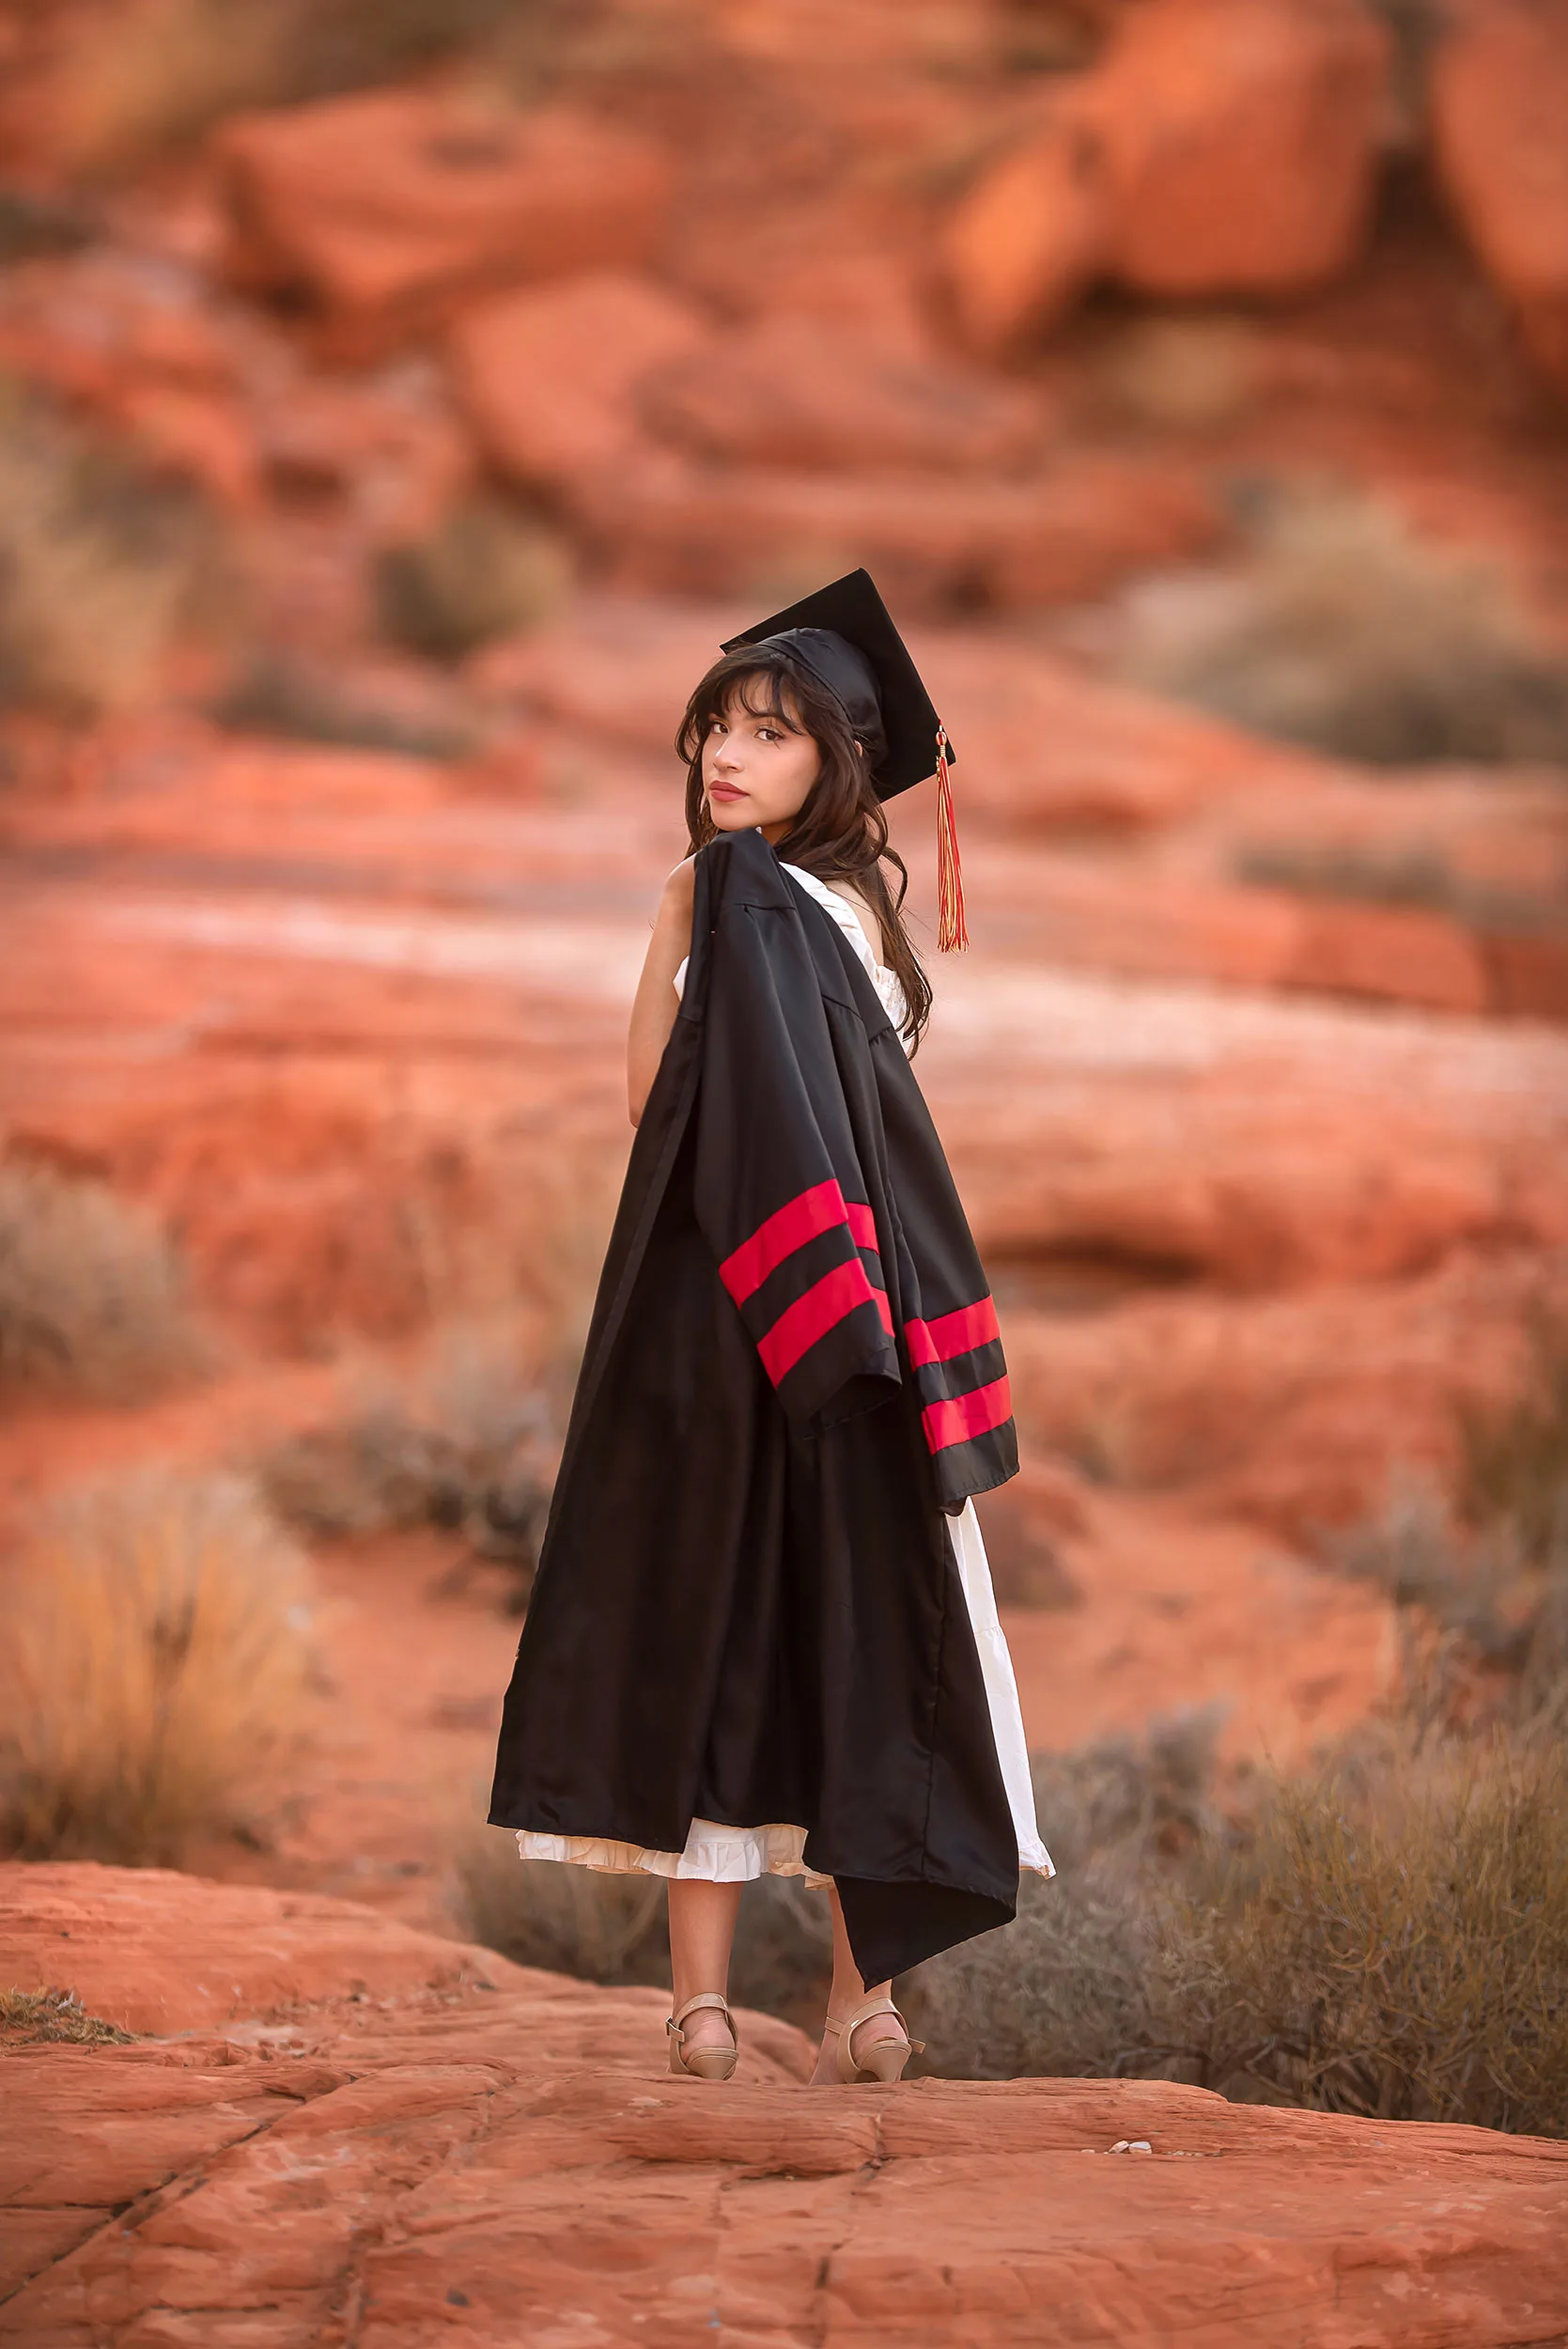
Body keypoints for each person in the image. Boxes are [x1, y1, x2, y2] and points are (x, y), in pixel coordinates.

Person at [489, 570, 1052, 2087]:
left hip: (761, 1319)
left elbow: (665, 1109)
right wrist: (675, 913)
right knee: (865, 1627)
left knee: (732, 1623)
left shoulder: (789, 900)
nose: (726, 759)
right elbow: (672, 1106)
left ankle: (720, 2006)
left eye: (770, 736)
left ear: (838, 764)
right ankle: (839, 2003)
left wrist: (682, 910)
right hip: (849, 1323)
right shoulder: (750, 894)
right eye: (716, 730)